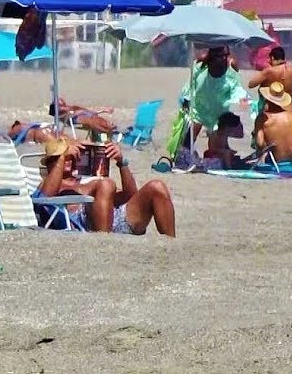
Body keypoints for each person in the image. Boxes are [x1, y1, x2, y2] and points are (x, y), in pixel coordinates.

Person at [38, 138, 176, 236]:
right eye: (58, 157)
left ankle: (170, 246)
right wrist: (61, 157)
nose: (67, 159)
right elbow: (44, 199)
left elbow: (130, 196)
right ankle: (104, 242)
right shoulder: (47, 184)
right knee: (106, 183)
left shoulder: (88, 180)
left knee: (157, 186)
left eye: (69, 156)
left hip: (119, 217)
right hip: (89, 223)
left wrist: (121, 162)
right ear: (49, 163)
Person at [180, 45, 249, 146]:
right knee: (187, 142)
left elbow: (236, 87)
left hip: (219, 112)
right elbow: (190, 85)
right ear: (213, 55)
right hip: (199, 108)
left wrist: (242, 98)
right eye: (221, 55)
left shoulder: (231, 69)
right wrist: (187, 100)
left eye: (226, 55)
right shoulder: (200, 66)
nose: (224, 58)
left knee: (217, 147)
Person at [254, 81, 292, 174]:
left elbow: (260, 143)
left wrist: (262, 152)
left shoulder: (263, 118)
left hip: (278, 163)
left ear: (266, 99)